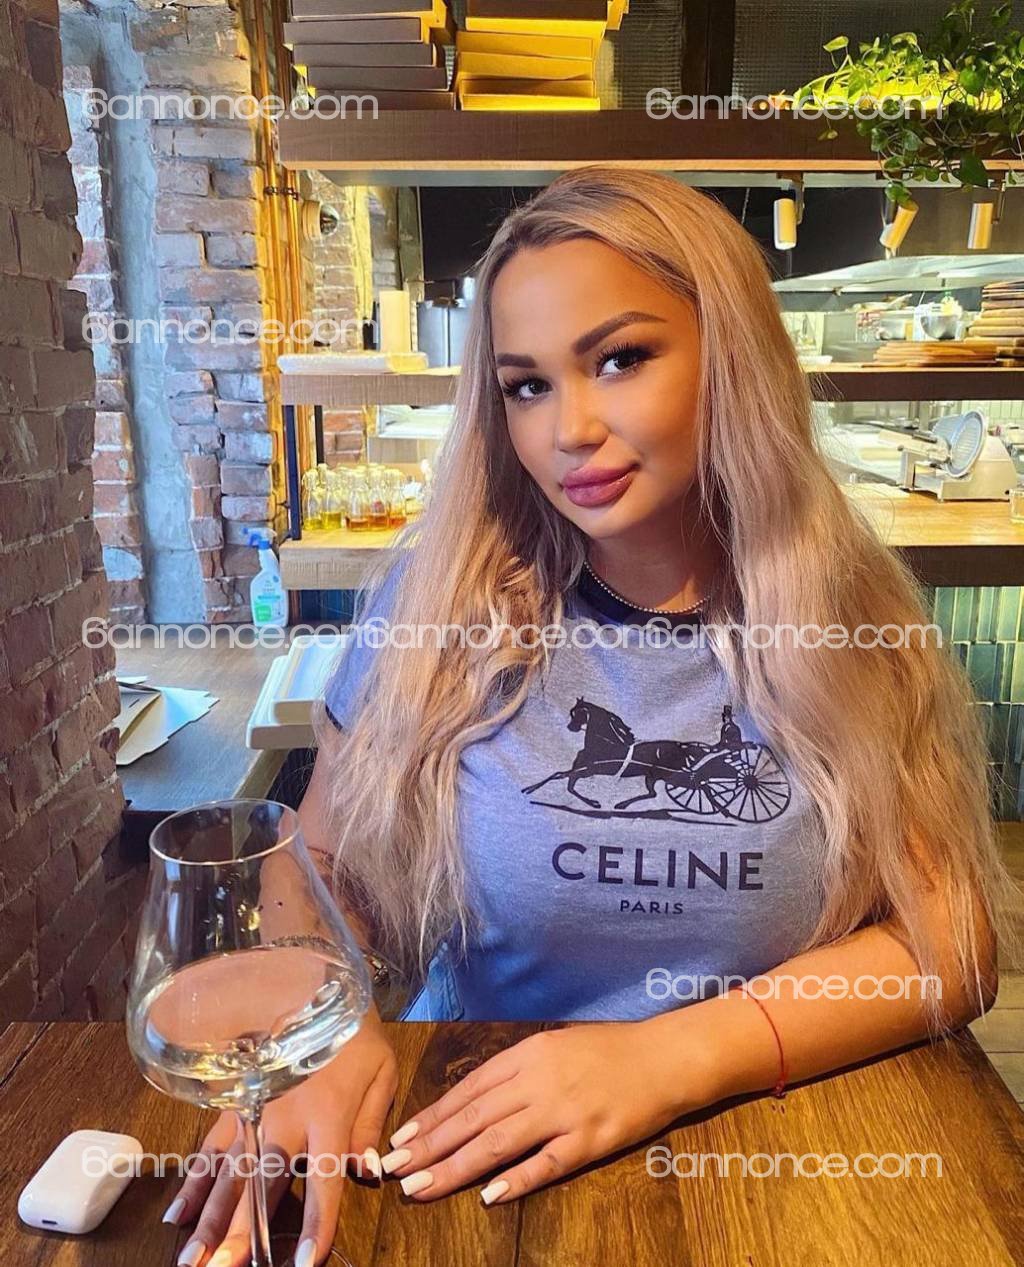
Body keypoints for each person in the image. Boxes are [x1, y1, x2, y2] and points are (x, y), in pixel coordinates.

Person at [165, 167, 1013, 1267]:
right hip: (459, 1138)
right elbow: (322, 864)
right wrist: (317, 1024)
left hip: (766, 1145)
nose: (568, 429)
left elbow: (953, 941)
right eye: (525, 385)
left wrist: (670, 1059)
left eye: (620, 359)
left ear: (732, 355)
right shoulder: (438, 603)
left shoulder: (845, 617)